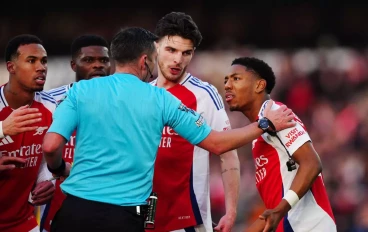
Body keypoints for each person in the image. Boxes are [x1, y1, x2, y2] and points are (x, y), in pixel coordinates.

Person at [42, 27, 295, 232]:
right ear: (144, 60)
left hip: (74, 212)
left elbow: (51, 145)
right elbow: (217, 143)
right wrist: (264, 124)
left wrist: (59, 168)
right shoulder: (161, 99)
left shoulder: (80, 92)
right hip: (124, 216)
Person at [223, 57, 336, 232]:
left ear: (259, 85)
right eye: (226, 80)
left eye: (236, 79)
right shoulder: (259, 131)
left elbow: (312, 163)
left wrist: (280, 209)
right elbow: (273, 212)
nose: (228, 85)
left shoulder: (277, 114)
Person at [151, 11, 239, 232]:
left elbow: (228, 153)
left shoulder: (204, 95)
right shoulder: (143, 93)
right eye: (171, 50)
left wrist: (231, 211)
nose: (178, 60)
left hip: (188, 221)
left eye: (186, 53)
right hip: (143, 218)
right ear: (156, 47)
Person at [41, 34, 111, 232]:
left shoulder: (123, 103)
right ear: (73, 65)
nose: (98, 65)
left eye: (104, 60)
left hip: (108, 207)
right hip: (58, 209)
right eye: (89, 60)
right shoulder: (49, 102)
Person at [0, 34, 56, 232]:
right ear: (11, 67)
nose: (41, 67)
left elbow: (44, 161)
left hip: (23, 222)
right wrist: (2, 129)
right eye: (31, 61)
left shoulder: (50, 107)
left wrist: (46, 181)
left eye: (44, 61)